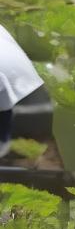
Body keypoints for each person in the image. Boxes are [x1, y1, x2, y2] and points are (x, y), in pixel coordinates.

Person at [0, 22, 44, 159]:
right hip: (9, 68)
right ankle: (3, 143)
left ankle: (3, 144)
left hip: (7, 68)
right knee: (4, 104)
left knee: (4, 105)